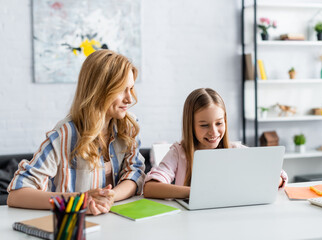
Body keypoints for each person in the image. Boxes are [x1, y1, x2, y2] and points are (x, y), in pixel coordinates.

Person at [7, 50, 145, 215]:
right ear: (99, 90)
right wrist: (80, 200)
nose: (130, 99)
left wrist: (110, 196)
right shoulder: (65, 134)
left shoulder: (128, 126)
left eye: (131, 88)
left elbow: (135, 173)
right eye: (122, 90)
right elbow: (17, 195)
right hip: (73, 228)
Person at [143, 88, 287, 199]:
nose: (213, 132)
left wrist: (272, 181)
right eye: (204, 125)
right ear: (190, 125)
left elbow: (279, 175)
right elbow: (150, 188)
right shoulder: (179, 152)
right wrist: (197, 193)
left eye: (219, 123)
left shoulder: (236, 150)